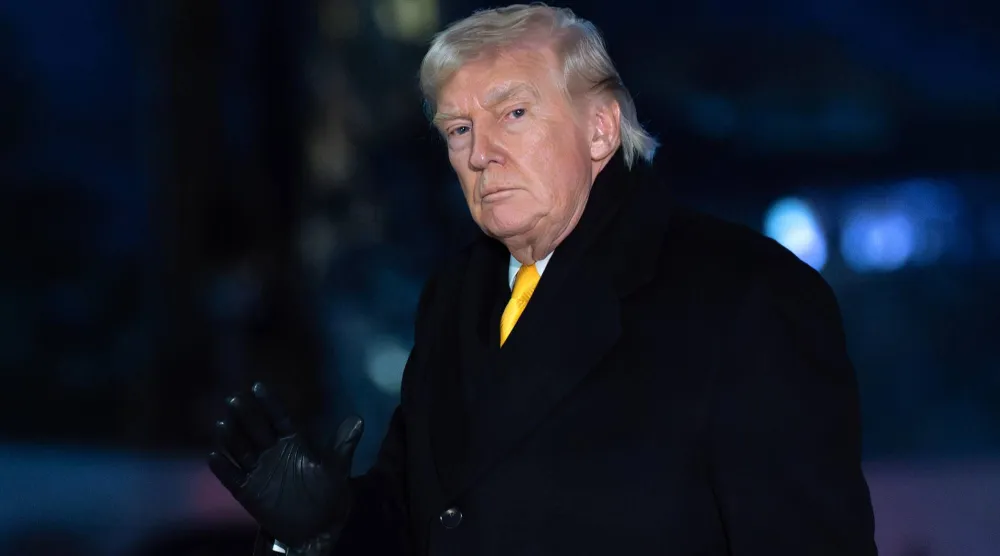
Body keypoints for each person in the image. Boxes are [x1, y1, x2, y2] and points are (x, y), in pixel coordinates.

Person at [208, 4, 878, 555]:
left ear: (600, 129)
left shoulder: (747, 295)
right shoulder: (457, 295)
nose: (479, 153)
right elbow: (433, 526)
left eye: (514, 114)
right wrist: (324, 530)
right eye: (460, 128)